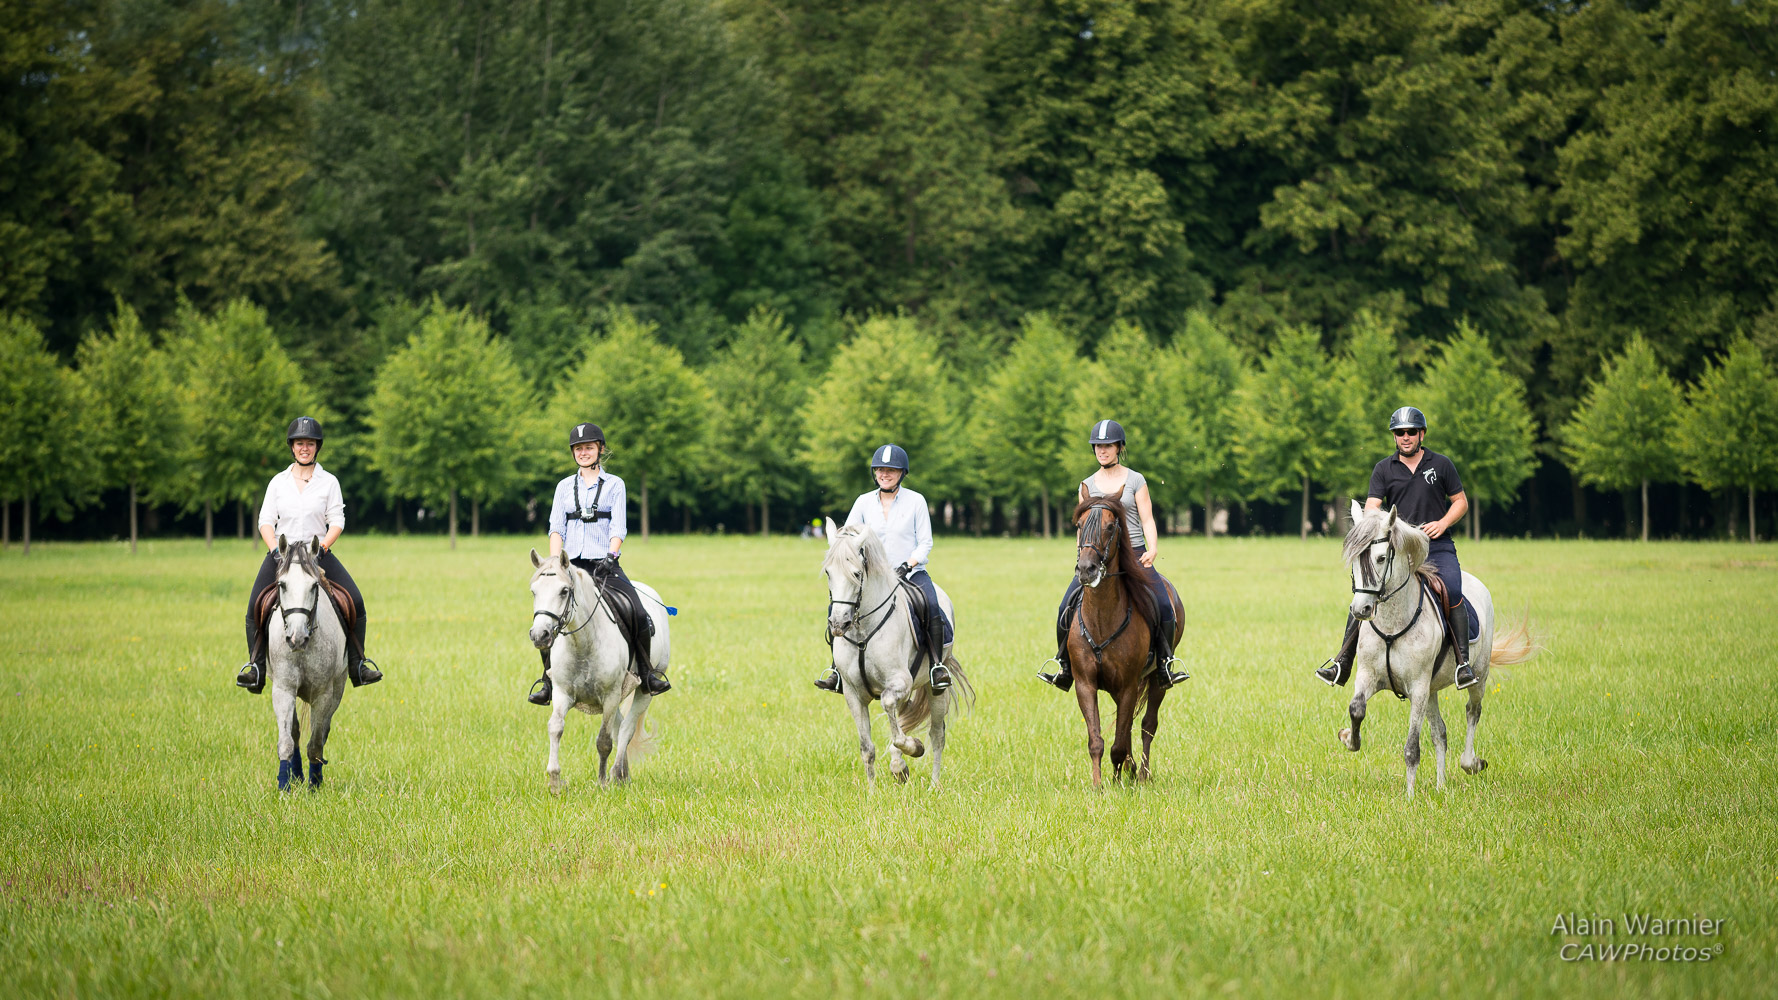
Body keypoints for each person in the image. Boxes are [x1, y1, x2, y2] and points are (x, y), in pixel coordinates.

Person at [1316, 406, 1476, 688]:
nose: (1405, 437)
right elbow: (1373, 507)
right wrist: (1371, 524)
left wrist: (1442, 523)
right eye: (1399, 432)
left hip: (1437, 548)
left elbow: (1460, 502)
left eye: (1411, 432)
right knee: (1364, 593)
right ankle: (1342, 662)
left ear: (1421, 434)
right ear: (1394, 436)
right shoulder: (1383, 469)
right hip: (1398, 552)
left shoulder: (1442, 465)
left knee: (1452, 589)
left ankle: (1462, 663)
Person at [1038, 419, 1189, 691]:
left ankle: (1165, 663)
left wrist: (1152, 548)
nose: (1102, 450)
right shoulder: (1086, 485)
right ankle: (1063, 666)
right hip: (1096, 558)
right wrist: (1082, 556)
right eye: (1098, 446)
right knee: (1064, 607)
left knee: (1164, 604)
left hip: (1134, 554)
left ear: (1119, 447)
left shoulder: (1135, 480)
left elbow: (1147, 519)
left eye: (1107, 445)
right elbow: (1083, 527)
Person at [528, 422, 670, 705]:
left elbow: (618, 527)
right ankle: (548, 680)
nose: (583, 452)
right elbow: (556, 528)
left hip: (605, 565)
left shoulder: (615, 485)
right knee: (547, 616)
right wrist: (555, 564)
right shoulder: (563, 487)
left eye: (588, 447)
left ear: (600, 449)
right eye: (578, 448)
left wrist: (611, 556)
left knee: (636, 610)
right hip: (570, 567)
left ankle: (646, 672)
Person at [237, 417, 380, 693]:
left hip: (317, 553)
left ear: (317, 447)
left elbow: (336, 520)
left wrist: (323, 547)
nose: (305, 448)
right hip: (282, 553)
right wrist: (274, 549)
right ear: (292, 447)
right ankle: (256, 668)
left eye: (310, 443)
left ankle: (358, 664)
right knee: (255, 605)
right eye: (300, 443)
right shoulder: (278, 482)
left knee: (355, 601)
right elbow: (265, 521)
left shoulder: (329, 482)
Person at [814, 444, 953, 693]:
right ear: (874, 473)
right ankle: (837, 669)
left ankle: (936, 666)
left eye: (891, 470)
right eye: (880, 470)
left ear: (902, 473)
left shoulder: (916, 501)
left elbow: (925, 543)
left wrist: (907, 565)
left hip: (910, 573)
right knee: (838, 607)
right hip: (872, 577)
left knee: (931, 604)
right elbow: (848, 537)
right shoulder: (863, 502)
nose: (884, 474)